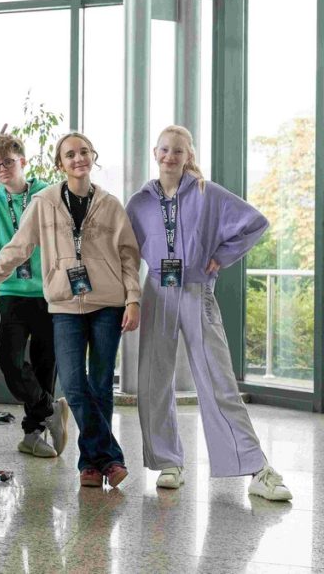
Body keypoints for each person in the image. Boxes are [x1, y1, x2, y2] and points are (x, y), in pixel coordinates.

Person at [0, 132, 141, 489]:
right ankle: (111, 456)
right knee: (73, 385)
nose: (78, 158)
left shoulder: (110, 204)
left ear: (93, 156)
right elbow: (17, 247)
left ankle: (90, 465)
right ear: (60, 164)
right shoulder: (44, 201)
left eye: (84, 152)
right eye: (70, 154)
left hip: (107, 303)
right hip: (63, 304)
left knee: (101, 385)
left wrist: (133, 299)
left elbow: (128, 255)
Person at [126, 125, 291, 501]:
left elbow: (255, 222)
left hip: (196, 290)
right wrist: (130, 296)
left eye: (178, 151)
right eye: (164, 149)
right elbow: (125, 252)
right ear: (155, 153)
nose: (170, 156)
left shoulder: (207, 193)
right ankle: (168, 462)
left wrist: (222, 255)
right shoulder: (139, 203)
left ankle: (257, 469)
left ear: (189, 156)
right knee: (153, 381)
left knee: (218, 379)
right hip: (157, 291)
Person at [0, 134, 68, 458]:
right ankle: (51, 409)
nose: (2, 169)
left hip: (48, 291)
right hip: (10, 291)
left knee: (45, 364)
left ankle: (32, 435)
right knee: (9, 362)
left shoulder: (47, 193)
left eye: (8, 162)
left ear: (22, 161)